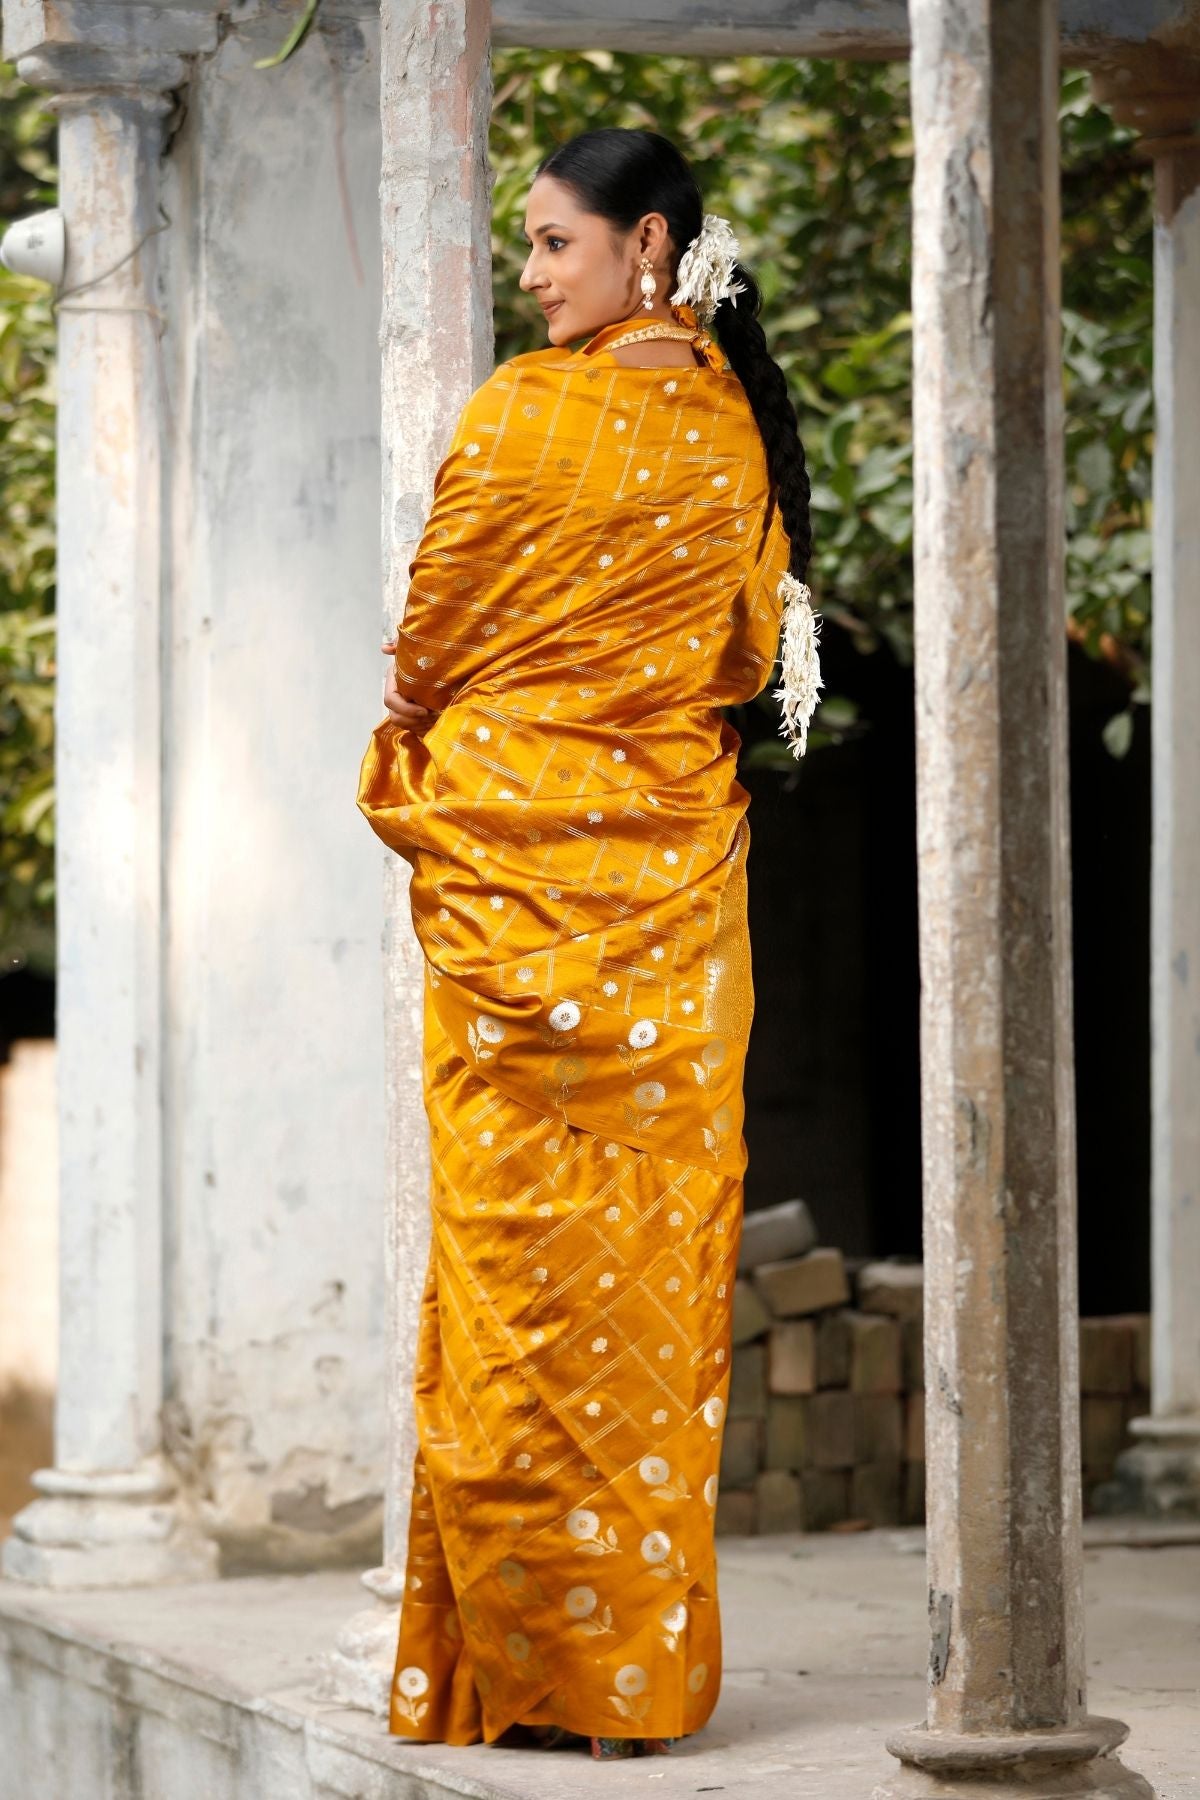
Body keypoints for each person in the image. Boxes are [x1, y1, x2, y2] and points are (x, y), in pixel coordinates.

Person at [357, 125, 820, 1761]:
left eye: (556, 243)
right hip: (662, 921)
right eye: (530, 244)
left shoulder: (524, 415)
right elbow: (749, 651)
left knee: (521, 1296)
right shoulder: (732, 436)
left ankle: (523, 1675)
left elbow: (426, 649)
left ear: (650, 246)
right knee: (620, 1297)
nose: (533, 271)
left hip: (519, 889)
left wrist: (462, 741)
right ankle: (607, 1677)